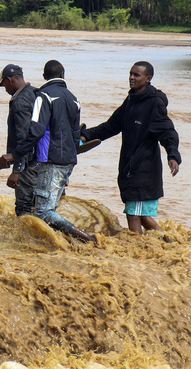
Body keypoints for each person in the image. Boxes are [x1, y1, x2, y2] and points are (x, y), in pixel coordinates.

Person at [80, 61, 181, 235]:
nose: (132, 78)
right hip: (129, 167)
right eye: (131, 74)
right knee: (138, 214)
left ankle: (138, 252)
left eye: (137, 75)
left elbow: (168, 132)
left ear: (148, 78)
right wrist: (84, 136)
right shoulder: (131, 100)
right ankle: (168, 241)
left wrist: (173, 155)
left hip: (144, 168)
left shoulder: (154, 103)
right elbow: (110, 126)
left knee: (133, 214)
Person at [12, 60, 96, 243]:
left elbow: (36, 130)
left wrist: (16, 154)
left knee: (43, 211)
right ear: (63, 75)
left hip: (50, 160)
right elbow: (75, 134)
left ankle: (86, 239)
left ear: (44, 76)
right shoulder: (74, 99)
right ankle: (60, 244)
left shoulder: (44, 95)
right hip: (69, 160)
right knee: (50, 209)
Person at [0, 64, 40, 217]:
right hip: (45, 160)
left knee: (24, 208)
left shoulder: (20, 101)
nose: (5, 89)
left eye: (4, 85)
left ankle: (25, 240)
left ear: (10, 80)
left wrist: (17, 170)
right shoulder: (36, 93)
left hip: (28, 163)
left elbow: (23, 138)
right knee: (43, 207)